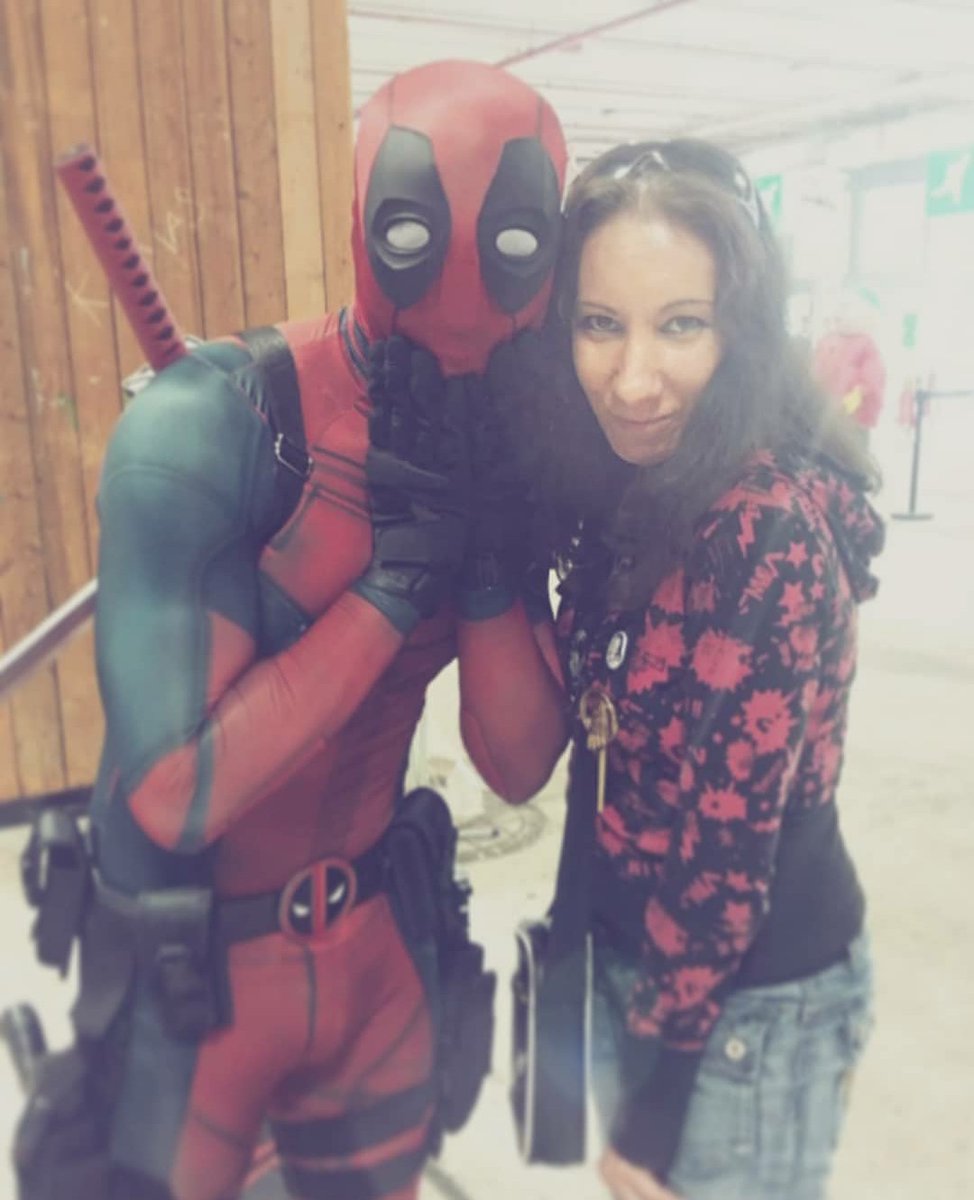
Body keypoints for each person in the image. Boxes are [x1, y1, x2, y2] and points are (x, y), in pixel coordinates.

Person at [14, 61, 568, 1200]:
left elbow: (517, 766)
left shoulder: (502, 434)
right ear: (369, 222)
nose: (465, 302)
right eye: (417, 235)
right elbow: (174, 792)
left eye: (514, 242)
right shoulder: (214, 426)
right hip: (194, 980)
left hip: (371, 949)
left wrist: (485, 561)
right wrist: (392, 588)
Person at [508, 139, 885, 1200]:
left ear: (742, 330)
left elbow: (723, 853)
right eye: (600, 324)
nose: (633, 380)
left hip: (749, 1010)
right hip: (648, 971)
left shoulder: (760, 531)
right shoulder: (631, 480)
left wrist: (655, 1101)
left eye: (681, 324)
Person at [812, 290, 887, 449]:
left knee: (850, 450)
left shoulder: (866, 344)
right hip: (825, 413)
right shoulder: (827, 340)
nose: (839, 313)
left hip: (853, 416)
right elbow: (816, 369)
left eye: (845, 307)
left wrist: (856, 397)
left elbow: (872, 377)